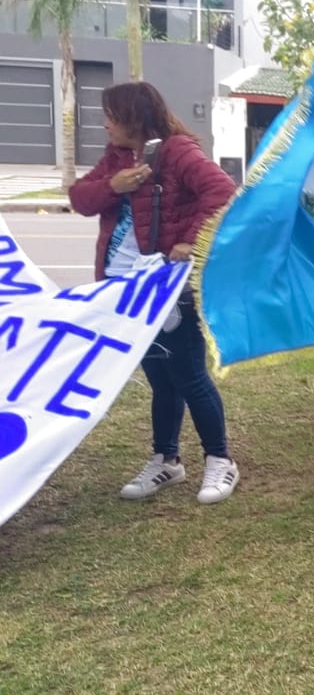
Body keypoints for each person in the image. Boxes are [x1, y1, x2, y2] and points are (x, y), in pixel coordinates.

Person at [68, 81, 241, 504]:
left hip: (167, 286)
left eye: (111, 115)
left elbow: (222, 192)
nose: (105, 123)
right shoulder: (116, 159)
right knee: (160, 378)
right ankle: (167, 460)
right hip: (126, 288)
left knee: (188, 374)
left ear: (134, 117)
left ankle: (221, 460)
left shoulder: (176, 151)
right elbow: (79, 198)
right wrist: (115, 186)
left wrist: (188, 241)